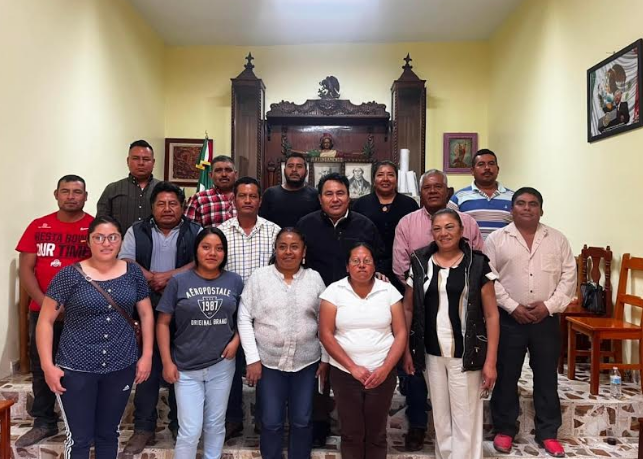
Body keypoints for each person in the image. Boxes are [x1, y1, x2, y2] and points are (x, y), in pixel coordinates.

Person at [36, 216, 154, 459]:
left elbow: (146, 314)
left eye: (112, 237)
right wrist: (47, 366)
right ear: (88, 241)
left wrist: (147, 355)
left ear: (120, 241)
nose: (106, 243)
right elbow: (45, 321)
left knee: (109, 433)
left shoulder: (133, 272)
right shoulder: (69, 275)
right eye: (98, 237)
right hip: (77, 367)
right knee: (79, 438)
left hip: (121, 364)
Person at [485, 187, 576, 458]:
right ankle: (504, 429)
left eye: (533, 204)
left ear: (541, 210)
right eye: (521, 203)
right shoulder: (497, 240)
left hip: (545, 319)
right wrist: (512, 307)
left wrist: (548, 306)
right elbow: (489, 278)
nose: (527, 208)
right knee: (506, 375)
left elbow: (568, 278)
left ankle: (548, 432)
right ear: (511, 209)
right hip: (508, 318)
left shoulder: (557, 240)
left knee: (547, 376)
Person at [402, 208, 499, 459]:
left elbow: (491, 315)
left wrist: (490, 362)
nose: (443, 233)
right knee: (441, 417)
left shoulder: (477, 264)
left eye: (449, 227)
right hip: (431, 353)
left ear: (461, 230)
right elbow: (408, 308)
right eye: (437, 228)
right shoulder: (420, 262)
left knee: (465, 418)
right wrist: (407, 350)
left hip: (466, 354)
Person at [296, 172, 385, 447]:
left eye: (340, 193)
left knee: (353, 364)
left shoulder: (365, 225)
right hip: (315, 304)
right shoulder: (306, 225)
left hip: (355, 306)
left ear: (349, 196)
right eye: (329, 194)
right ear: (320, 198)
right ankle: (320, 423)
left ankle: (357, 427)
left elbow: (378, 259)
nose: (335, 199)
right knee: (318, 366)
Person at [119, 181, 202, 454]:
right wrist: (152, 277)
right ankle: (144, 427)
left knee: (181, 366)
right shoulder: (136, 230)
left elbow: (201, 261)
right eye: (161, 204)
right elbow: (126, 260)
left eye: (173, 203)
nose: (167, 209)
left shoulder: (196, 230)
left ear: (182, 206)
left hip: (184, 307)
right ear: (152, 207)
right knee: (148, 366)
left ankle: (180, 425)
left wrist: (169, 277)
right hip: (145, 305)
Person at [15, 175, 94, 448]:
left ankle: (81, 421)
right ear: (56, 194)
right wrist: (46, 303)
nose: (71, 196)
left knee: (81, 368)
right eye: (65, 191)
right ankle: (44, 421)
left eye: (77, 192)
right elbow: (26, 269)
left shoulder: (94, 227)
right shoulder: (38, 226)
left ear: (86, 196)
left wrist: (74, 305)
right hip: (42, 311)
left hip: (81, 312)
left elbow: (102, 268)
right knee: (42, 366)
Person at [238, 228, 328, 459]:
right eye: (282, 247)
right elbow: (244, 317)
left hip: (307, 364)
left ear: (303, 251)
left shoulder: (315, 279)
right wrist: (252, 359)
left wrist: (325, 359)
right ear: (275, 250)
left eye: (294, 247)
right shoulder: (259, 278)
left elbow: (325, 321)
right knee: (270, 421)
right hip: (268, 364)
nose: (288, 252)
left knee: (302, 420)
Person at [351, 160, 423, 450]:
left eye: (390, 174)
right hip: (366, 276)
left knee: (404, 337)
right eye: (380, 174)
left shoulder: (409, 205)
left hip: (403, 280)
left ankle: (413, 411)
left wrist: (401, 277)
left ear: (396, 178)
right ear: (373, 179)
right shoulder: (361, 204)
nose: (385, 178)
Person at [156, 227, 243, 459]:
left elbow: (245, 318)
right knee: (190, 430)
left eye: (219, 248)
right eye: (206, 247)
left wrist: (236, 341)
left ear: (225, 253)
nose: (212, 253)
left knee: (215, 425)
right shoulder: (179, 281)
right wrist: (167, 362)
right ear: (196, 250)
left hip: (221, 364)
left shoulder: (234, 281)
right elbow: (163, 323)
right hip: (185, 367)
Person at [319, 243, 407, 459]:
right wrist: (353, 367)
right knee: (351, 433)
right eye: (356, 261)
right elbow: (326, 334)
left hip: (382, 374)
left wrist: (385, 369)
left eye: (367, 261)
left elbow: (401, 333)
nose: (361, 265)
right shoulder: (334, 292)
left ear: (374, 266)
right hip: (345, 374)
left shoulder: (388, 291)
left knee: (377, 433)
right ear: (347, 266)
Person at [219, 176, 281, 439]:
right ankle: (232, 418)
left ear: (260, 200)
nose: (247, 200)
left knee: (265, 364)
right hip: (228, 309)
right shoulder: (221, 232)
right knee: (230, 366)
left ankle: (264, 419)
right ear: (233, 200)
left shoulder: (274, 231)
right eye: (242, 196)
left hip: (265, 309)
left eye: (252, 196)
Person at [393, 169, 484, 288]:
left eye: (438, 186)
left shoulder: (467, 222)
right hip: (419, 292)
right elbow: (400, 267)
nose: (432, 191)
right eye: (426, 188)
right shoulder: (406, 224)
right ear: (420, 193)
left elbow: (479, 261)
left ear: (448, 191)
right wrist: (419, 289)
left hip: (464, 291)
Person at [448, 149, 514, 239]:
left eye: (491, 163)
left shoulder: (513, 198)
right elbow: (449, 227)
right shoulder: (458, 198)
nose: (487, 168)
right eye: (481, 164)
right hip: (471, 248)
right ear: (472, 171)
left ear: (498, 169)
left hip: (504, 248)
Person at [97, 140, 160, 231]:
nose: (141, 163)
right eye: (136, 158)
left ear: (153, 162)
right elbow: (101, 224)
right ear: (128, 161)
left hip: (156, 240)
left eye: (146, 159)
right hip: (121, 240)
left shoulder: (164, 190)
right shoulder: (112, 189)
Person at [259, 152, 320, 227]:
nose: (294, 170)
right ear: (284, 171)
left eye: (299, 166)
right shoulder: (270, 194)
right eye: (290, 166)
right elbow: (262, 223)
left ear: (306, 172)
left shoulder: (315, 195)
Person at [184, 155, 237, 227]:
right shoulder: (198, 199)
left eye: (228, 170)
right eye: (218, 171)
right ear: (211, 175)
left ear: (235, 174)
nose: (224, 174)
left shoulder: (246, 197)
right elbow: (188, 229)